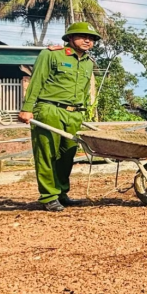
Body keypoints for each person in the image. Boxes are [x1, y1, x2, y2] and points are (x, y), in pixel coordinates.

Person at [19, 22, 102, 212]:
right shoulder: (51, 54)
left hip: (74, 114)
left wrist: (84, 112)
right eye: (82, 36)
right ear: (70, 38)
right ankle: (49, 196)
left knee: (67, 155)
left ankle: (62, 193)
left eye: (92, 38)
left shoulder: (88, 62)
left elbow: (83, 90)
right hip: (49, 110)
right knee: (47, 154)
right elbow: (37, 81)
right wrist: (27, 108)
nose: (88, 40)